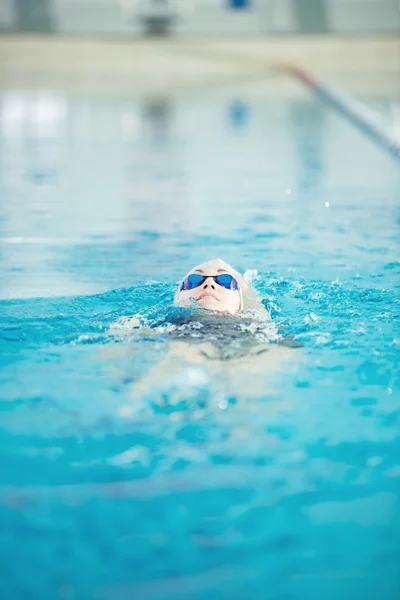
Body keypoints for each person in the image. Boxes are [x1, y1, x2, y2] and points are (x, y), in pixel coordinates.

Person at [113, 259, 300, 414]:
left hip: (245, 344)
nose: (209, 284)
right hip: (185, 340)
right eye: (194, 281)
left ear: (240, 301)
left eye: (225, 281)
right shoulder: (162, 319)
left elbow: (248, 292)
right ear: (178, 298)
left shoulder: (255, 317)